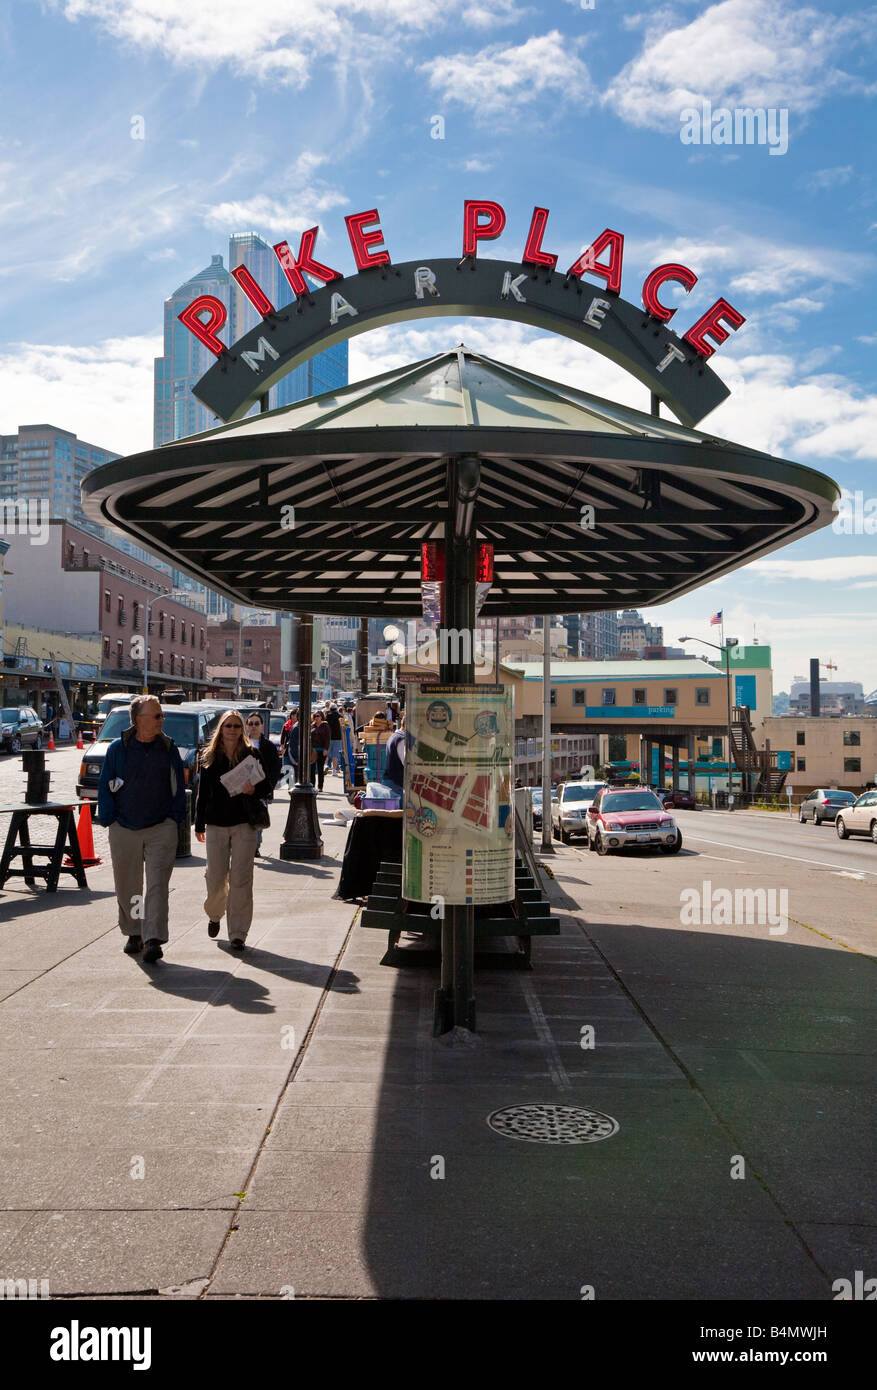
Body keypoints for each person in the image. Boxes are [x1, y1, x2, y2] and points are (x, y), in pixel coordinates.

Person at [96, 695, 186, 964]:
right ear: (138, 720)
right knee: (130, 886)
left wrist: (175, 818)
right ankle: (135, 933)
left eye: (161, 715)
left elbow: (178, 787)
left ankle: (153, 939)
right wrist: (110, 818)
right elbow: (105, 785)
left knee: (158, 885)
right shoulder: (117, 749)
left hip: (161, 826)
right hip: (124, 826)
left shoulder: (168, 748)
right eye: (156, 716)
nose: (161, 720)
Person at [193, 710, 267, 950]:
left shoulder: (251, 754)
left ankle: (238, 932)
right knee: (215, 877)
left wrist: (253, 790)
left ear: (242, 730)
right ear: (221, 729)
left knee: (241, 879)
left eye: (237, 726)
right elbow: (202, 793)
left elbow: (265, 784)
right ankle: (215, 914)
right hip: (215, 823)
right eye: (228, 726)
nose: (233, 730)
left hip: (244, 822)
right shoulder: (210, 756)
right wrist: (199, 823)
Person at [244, 711, 281, 855]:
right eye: (251, 724)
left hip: (261, 789)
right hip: (243, 788)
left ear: (262, 726)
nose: (254, 727)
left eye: (256, 724)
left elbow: (275, 768)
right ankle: (245, 846)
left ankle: (255, 847)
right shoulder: (241, 744)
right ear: (247, 726)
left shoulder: (269, 746)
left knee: (258, 816)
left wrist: (269, 786)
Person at [381, 713, 406, 803]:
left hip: (391, 781)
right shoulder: (401, 739)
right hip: (395, 783)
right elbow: (406, 763)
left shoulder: (394, 736)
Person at [311, 711, 331, 790]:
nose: (316, 717)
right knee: (312, 769)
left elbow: (328, 738)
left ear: (321, 717)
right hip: (313, 751)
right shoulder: (312, 726)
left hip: (322, 750)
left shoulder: (325, 726)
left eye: (318, 716)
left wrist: (326, 749)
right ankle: (312, 785)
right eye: (315, 716)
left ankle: (320, 786)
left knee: (320, 769)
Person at [325, 704, 345, 777]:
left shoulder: (327, 717)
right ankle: (334, 770)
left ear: (330, 709)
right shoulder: (340, 717)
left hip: (328, 737)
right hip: (338, 738)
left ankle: (325, 765)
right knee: (335, 755)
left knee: (327, 752)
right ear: (336, 709)